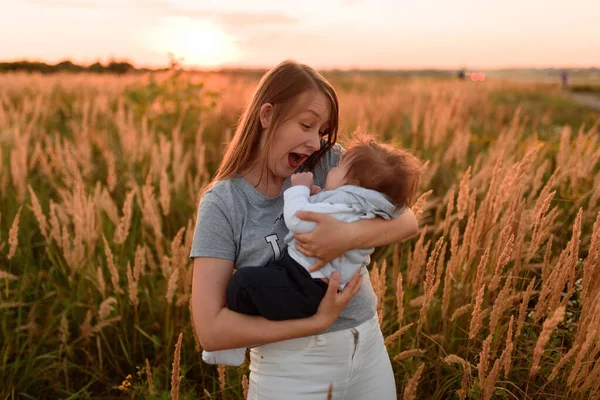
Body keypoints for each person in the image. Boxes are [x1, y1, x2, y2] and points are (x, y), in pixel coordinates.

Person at [190, 60, 419, 400]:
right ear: (267, 115)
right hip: (292, 368)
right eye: (307, 125)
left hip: (367, 346)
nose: (315, 142)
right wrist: (315, 323)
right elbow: (210, 330)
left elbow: (408, 220)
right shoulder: (224, 203)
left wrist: (346, 237)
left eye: (322, 131)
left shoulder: (328, 163)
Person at [202, 136, 421, 367]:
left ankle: (233, 348)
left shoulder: (343, 199)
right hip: (315, 284)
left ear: (352, 184)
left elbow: (299, 221)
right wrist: (317, 198)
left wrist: (300, 191)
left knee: (243, 283)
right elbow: (334, 212)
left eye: (338, 168)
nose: (332, 164)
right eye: (307, 126)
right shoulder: (366, 206)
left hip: (306, 283)